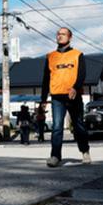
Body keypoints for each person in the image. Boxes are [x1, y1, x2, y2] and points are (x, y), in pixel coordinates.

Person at [40, 27, 91, 168]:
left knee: (78, 125)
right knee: (57, 127)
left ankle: (85, 151)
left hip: (73, 95)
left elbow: (82, 74)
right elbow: (45, 79)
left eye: (63, 34)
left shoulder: (77, 54)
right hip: (57, 97)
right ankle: (55, 156)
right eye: (58, 34)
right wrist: (43, 99)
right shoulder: (50, 56)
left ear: (70, 37)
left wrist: (75, 87)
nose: (59, 36)